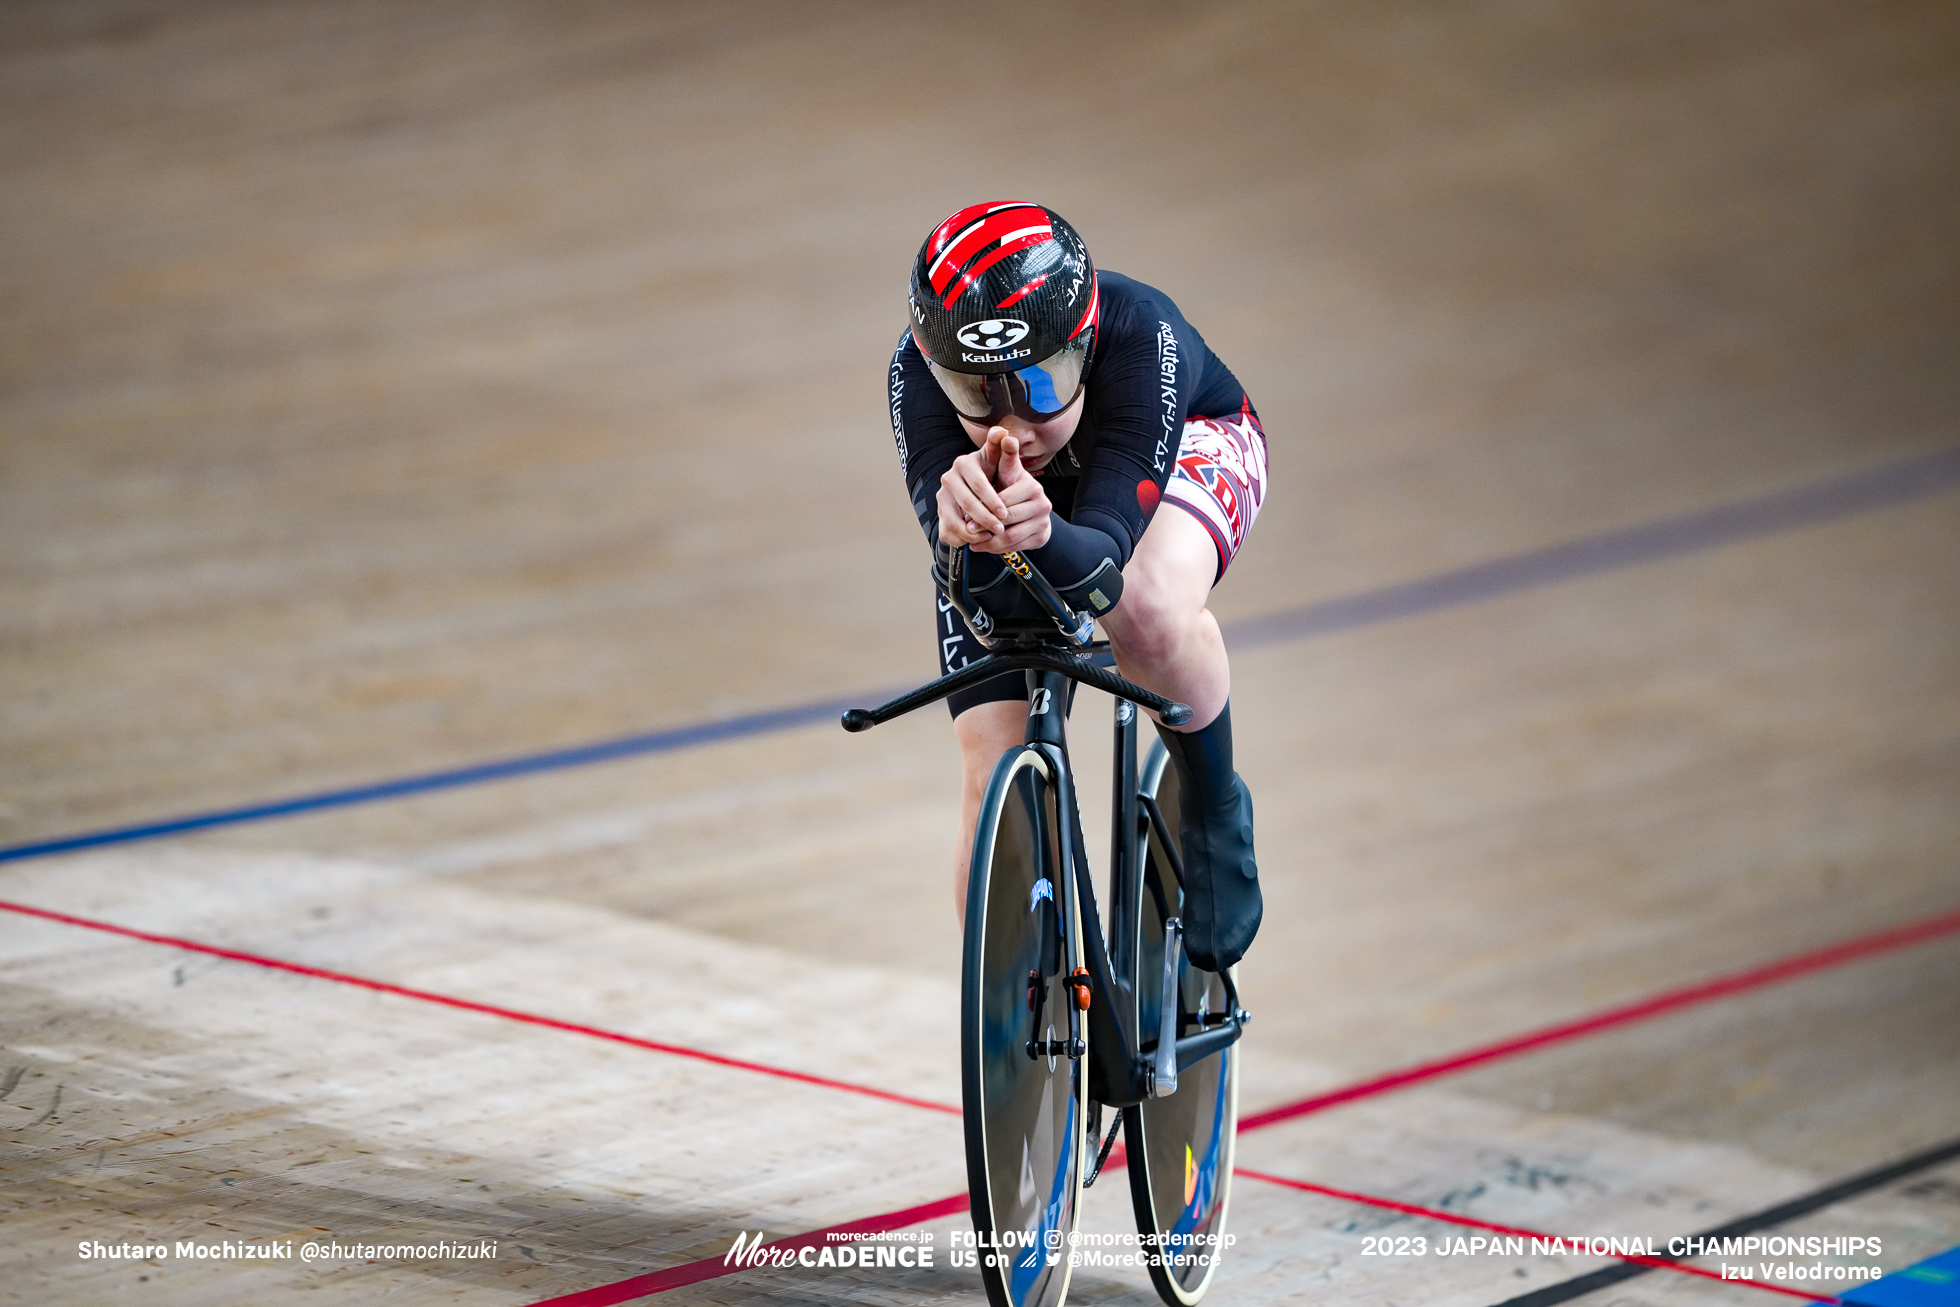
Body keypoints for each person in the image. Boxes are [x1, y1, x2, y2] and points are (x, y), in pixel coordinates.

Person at [887, 200, 1268, 974]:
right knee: (988, 763)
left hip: (1184, 447)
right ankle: (1000, 1020)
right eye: (974, 391)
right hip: (1044, 514)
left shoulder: (1141, 338)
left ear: (1084, 344)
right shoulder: (912, 373)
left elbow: (1098, 571)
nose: (1013, 423)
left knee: (1148, 608)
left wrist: (1044, 533)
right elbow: (983, 596)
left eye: (1038, 380)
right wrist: (970, 531)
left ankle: (1215, 801)